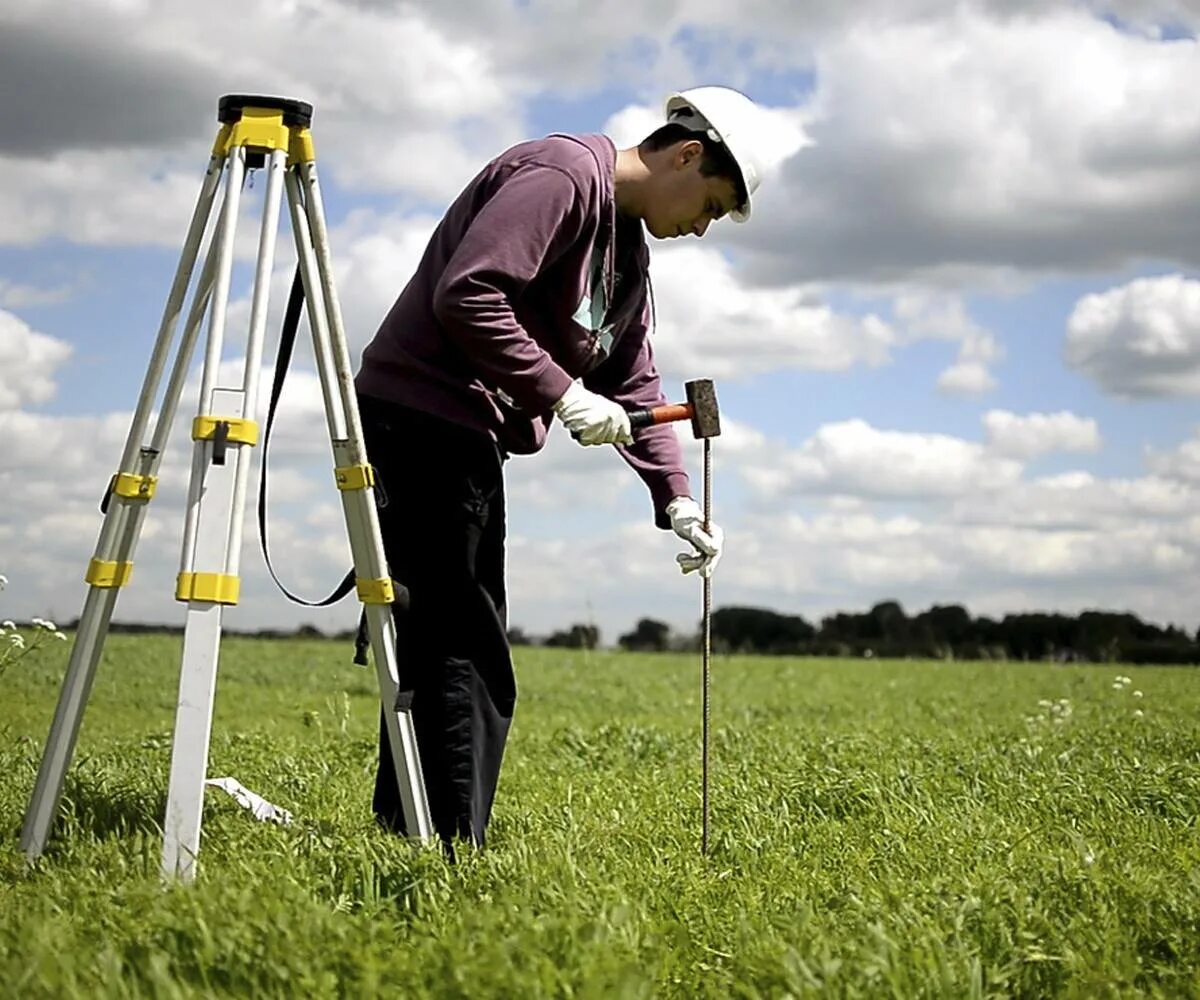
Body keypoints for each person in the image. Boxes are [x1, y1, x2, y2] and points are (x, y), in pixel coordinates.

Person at [353, 86, 769, 852]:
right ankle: (449, 849)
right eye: (710, 205)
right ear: (686, 155)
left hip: (462, 431)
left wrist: (675, 498)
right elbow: (469, 293)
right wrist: (561, 394)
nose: (703, 229)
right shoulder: (561, 177)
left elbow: (635, 380)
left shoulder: (628, 249)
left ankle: (406, 826)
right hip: (418, 414)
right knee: (464, 641)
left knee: (441, 629)